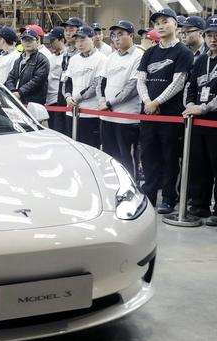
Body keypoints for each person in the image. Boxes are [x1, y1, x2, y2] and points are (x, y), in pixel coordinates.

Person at [182, 14, 217, 226]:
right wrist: (189, 106)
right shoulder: (201, 60)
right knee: (199, 165)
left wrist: (204, 108)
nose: (213, 40)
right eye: (209, 35)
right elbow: (190, 86)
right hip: (198, 122)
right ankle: (199, 205)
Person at [136, 8, 194, 213]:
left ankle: (169, 197)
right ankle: (149, 193)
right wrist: (146, 101)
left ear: (176, 25)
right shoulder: (150, 52)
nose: (160, 26)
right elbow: (140, 79)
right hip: (148, 114)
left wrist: (156, 102)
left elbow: (178, 82)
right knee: (149, 156)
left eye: (165, 21)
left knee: (170, 158)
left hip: (170, 115)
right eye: (157, 23)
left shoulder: (183, 52)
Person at [97, 20, 143, 176]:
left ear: (131, 35)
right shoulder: (111, 56)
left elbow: (132, 88)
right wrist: (102, 100)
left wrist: (109, 102)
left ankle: (132, 187)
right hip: (107, 115)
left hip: (127, 118)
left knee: (126, 156)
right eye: (114, 35)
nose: (116, 38)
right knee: (110, 156)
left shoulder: (138, 56)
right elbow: (101, 81)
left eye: (120, 34)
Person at [62, 25, 107, 148]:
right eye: (77, 41)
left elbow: (96, 84)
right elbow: (67, 80)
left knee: (90, 147)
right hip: (71, 110)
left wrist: (76, 98)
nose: (79, 44)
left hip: (91, 112)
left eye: (83, 40)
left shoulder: (102, 59)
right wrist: (67, 97)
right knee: (72, 146)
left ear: (92, 39)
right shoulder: (74, 59)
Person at [53, 16, 83, 136]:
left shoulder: (81, 51)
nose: (68, 33)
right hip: (62, 89)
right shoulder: (66, 50)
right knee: (60, 128)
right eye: (66, 30)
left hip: (75, 94)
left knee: (73, 131)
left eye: (71, 30)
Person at [5, 29, 50, 105]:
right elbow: (10, 77)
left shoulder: (42, 60)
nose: (27, 43)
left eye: (30, 40)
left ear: (37, 42)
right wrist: (12, 91)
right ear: (21, 42)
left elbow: (36, 81)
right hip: (17, 100)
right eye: (25, 40)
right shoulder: (18, 60)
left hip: (33, 103)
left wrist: (19, 93)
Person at [44, 27, 66, 128]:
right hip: (49, 100)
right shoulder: (51, 57)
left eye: (53, 40)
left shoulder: (66, 57)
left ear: (62, 40)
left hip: (59, 101)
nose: (50, 43)